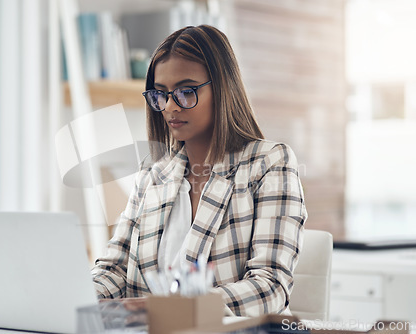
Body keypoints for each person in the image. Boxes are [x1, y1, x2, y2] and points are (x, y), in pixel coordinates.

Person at [92, 24, 307, 317]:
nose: (170, 106)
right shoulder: (153, 173)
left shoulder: (269, 164)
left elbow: (270, 287)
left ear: (222, 88)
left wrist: (180, 308)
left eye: (186, 91)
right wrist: (80, 295)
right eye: (161, 94)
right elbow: (114, 269)